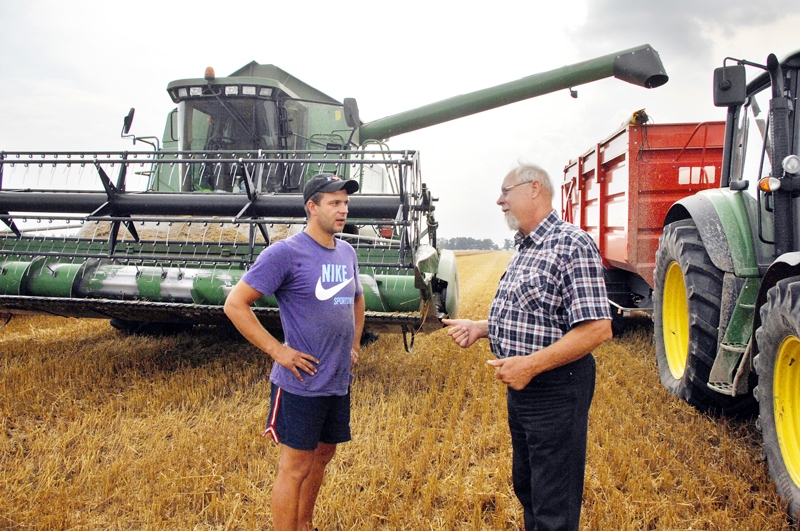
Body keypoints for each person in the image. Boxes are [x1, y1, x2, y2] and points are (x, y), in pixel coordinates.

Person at [442, 163, 612, 531]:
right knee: (529, 487)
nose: (499, 200)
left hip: (555, 388)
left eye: (506, 191)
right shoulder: (525, 246)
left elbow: (597, 329)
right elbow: (535, 315)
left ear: (535, 188)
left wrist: (531, 366)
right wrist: (481, 327)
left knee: (554, 501)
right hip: (524, 388)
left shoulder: (571, 244)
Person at [224, 173, 365, 531]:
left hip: (337, 379)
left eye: (346, 202)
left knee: (323, 454)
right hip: (301, 382)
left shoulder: (347, 251)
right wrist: (278, 351)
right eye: (334, 202)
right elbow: (235, 304)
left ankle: (304, 524)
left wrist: (354, 344)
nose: (343, 210)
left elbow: (358, 299)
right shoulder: (285, 253)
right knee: (295, 466)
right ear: (312, 207)